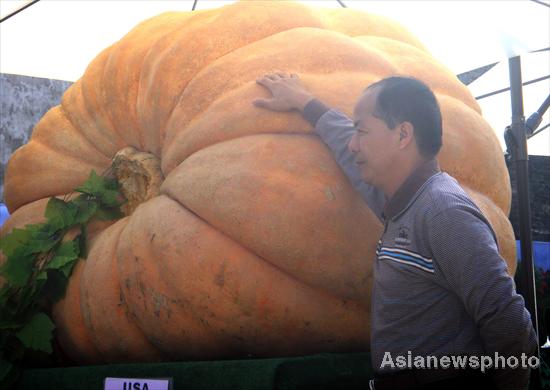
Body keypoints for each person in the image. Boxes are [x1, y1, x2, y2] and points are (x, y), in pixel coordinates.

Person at [253, 73, 538, 390]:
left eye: (361, 130)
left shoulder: (443, 212)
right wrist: (305, 102)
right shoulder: (402, 202)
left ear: (403, 135)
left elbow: (510, 323)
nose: (353, 142)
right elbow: (346, 149)